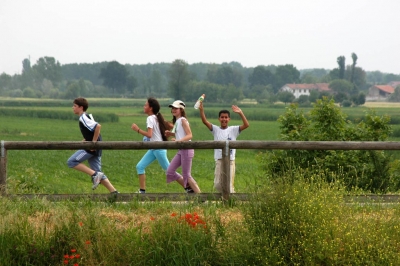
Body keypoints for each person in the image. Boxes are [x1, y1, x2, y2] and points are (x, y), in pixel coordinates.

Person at [67, 97, 119, 194]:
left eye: (74, 106)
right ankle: (114, 193)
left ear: (81, 107)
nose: (72, 108)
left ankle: (95, 174)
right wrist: (81, 143)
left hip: (92, 147)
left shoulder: (83, 117)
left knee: (72, 161)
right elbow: (89, 134)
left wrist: (93, 143)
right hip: (95, 147)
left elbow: (97, 126)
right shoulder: (86, 116)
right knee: (99, 173)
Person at [198, 100, 249, 193]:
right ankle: (225, 200)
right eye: (222, 117)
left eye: (226, 117)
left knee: (229, 185)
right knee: (217, 184)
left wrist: (240, 113)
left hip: (230, 160)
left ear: (229, 119)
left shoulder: (233, 130)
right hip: (219, 160)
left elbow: (246, 125)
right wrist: (201, 110)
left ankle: (231, 202)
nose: (224, 119)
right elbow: (204, 121)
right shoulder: (216, 130)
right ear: (219, 119)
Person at [131, 97, 176, 193]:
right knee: (140, 166)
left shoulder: (150, 118)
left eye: (145, 105)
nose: (144, 107)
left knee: (169, 171)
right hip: (154, 149)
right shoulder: (156, 117)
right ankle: (142, 191)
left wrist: (137, 129)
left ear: (150, 108)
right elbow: (171, 126)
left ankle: (188, 187)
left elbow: (149, 134)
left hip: (159, 149)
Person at [165, 100, 201, 193]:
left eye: (176, 108)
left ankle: (201, 197)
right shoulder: (177, 121)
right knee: (170, 171)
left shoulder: (183, 120)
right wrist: (171, 134)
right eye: (172, 108)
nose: (173, 110)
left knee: (187, 175)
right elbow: (180, 133)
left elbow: (189, 135)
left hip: (187, 149)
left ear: (181, 110)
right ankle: (189, 190)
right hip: (181, 150)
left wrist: (178, 141)